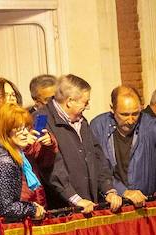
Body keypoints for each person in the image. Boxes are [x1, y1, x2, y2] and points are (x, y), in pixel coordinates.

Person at [43, 74, 124, 213]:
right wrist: (75, 199)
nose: (88, 106)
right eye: (85, 102)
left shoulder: (82, 121)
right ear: (69, 101)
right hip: (63, 212)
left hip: (89, 206)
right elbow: (51, 169)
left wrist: (108, 190)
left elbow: (97, 157)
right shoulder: (41, 120)